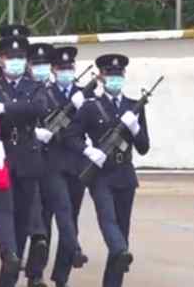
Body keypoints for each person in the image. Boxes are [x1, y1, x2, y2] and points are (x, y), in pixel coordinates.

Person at [64, 54, 150, 287]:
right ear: (101, 77)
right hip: (100, 174)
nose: (115, 78)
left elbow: (143, 147)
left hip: (125, 174)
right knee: (108, 220)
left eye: (118, 74)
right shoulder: (92, 107)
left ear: (124, 76)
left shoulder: (134, 106)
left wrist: (135, 127)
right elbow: (70, 135)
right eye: (110, 74)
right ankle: (121, 250)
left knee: (122, 228)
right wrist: (88, 151)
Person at [0, 33, 49, 287]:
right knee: (4, 209)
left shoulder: (35, 86)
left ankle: (10, 271)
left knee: (23, 216)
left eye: (21, 57)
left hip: (28, 156)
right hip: (3, 154)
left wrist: (6, 108)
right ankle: (7, 251)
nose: (17, 62)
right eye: (12, 57)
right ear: (1, 59)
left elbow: (39, 108)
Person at [25, 44, 90, 287]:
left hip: (76, 165)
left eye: (70, 67)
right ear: (53, 69)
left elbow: (91, 127)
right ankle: (35, 274)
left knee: (70, 217)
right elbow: (31, 121)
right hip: (49, 163)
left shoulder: (85, 96)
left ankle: (62, 276)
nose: (66, 71)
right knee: (48, 217)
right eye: (61, 67)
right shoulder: (43, 93)